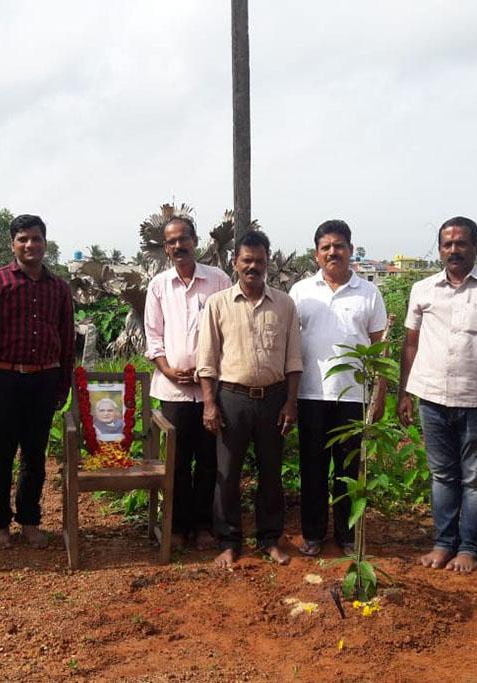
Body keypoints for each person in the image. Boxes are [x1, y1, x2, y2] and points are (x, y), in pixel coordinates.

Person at [397, 216, 477, 573]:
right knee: (442, 475)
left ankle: (470, 548)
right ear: (439, 250)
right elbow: (410, 344)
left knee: (476, 478)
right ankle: (443, 544)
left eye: (461, 243)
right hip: (432, 397)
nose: (454, 250)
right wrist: (404, 393)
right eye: (447, 244)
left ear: (476, 248)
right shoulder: (423, 289)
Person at [0, 214, 75, 549]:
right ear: (12, 244)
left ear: (45, 243)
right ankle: (0, 523)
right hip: (3, 379)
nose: (30, 245)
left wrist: (62, 386)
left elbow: (67, 341)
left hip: (44, 380)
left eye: (36, 238)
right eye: (22, 239)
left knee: (35, 456)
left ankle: (29, 520)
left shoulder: (59, 288)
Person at [196, 230, 302, 569]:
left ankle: (270, 539)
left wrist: (291, 402)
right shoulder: (218, 304)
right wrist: (210, 404)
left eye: (259, 260)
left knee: (271, 473)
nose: (253, 266)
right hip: (232, 399)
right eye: (247, 260)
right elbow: (207, 360)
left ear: (268, 263)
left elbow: (293, 360)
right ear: (235, 262)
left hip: (274, 399)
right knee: (227, 474)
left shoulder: (285, 304)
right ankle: (229, 542)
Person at [289, 220, 387, 557]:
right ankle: (313, 534)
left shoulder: (369, 293)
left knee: (349, 470)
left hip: (353, 397)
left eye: (339, 246)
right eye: (326, 247)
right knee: (313, 469)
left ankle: (347, 536)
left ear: (350, 250)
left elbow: (381, 347)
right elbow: (289, 344)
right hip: (310, 394)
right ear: (316, 254)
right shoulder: (301, 291)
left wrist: (380, 395)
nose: (333, 252)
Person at [144, 215, 231, 550]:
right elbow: (153, 335)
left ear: (195, 241)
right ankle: (178, 526)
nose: (178, 246)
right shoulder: (159, 285)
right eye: (171, 242)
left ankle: (204, 525)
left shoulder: (218, 280)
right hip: (173, 391)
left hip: (213, 391)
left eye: (183, 239)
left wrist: (208, 368)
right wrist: (167, 369)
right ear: (165, 248)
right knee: (177, 462)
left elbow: (229, 331)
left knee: (209, 460)